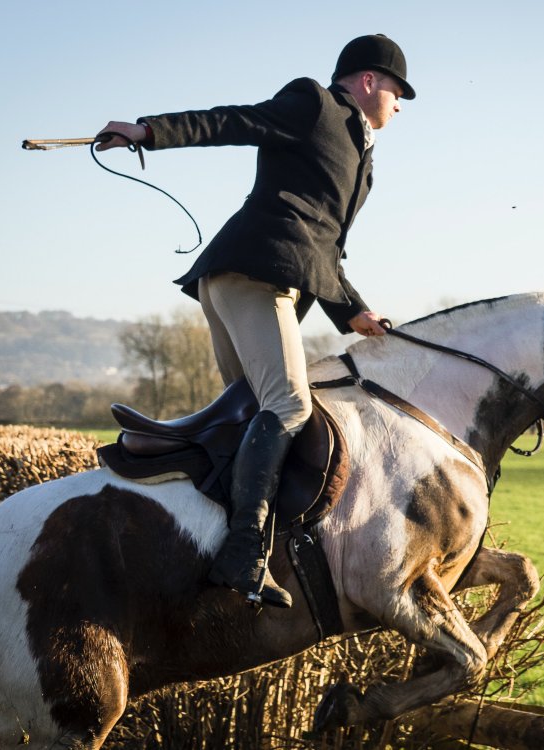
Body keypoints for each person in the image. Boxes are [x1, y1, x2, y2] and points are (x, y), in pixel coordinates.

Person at [97, 34, 415, 609]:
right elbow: (232, 121)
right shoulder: (314, 102)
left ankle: (196, 540)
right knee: (289, 406)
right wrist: (147, 132)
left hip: (251, 278)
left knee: (251, 411)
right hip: (254, 277)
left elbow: (322, 248)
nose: (400, 103)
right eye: (398, 90)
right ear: (369, 81)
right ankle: (245, 554)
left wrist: (354, 310)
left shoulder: (361, 155)